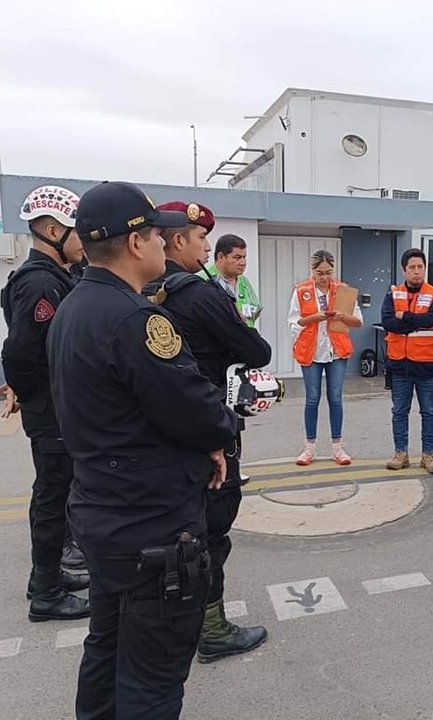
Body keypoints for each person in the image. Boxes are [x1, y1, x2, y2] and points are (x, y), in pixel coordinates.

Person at [47, 181, 238, 719]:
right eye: (157, 234)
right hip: (152, 525)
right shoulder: (138, 320)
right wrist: (221, 435)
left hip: (102, 514)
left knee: (106, 650)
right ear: (135, 243)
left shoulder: (74, 308)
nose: (164, 244)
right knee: (153, 676)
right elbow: (196, 409)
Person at [145, 201, 273, 662]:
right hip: (207, 426)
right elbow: (255, 350)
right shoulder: (200, 294)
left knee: (170, 530)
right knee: (211, 528)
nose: (206, 248)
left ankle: (173, 623)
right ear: (178, 240)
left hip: (155, 435)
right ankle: (212, 628)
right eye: (202, 240)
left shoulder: (137, 292)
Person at [0, 184, 90, 622]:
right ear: (53, 230)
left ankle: (48, 577)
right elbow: (20, 352)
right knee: (53, 496)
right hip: (52, 411)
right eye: (78, 233)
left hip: (54, 408)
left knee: (60, 492)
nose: (84, 242)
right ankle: (47, 592)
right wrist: (38, 395)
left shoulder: (56, 278)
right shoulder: (39, 282)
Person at [287, 249, 363, 466]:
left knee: (335, 399)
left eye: (328, 272)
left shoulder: (343, 290)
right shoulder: (301, 291)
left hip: (336, 351)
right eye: (320, 273)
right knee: (312, 398)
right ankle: (309, 447)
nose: (324, 277)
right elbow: (293, 322)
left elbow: (358, 321)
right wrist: (314, 317)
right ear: (312, 271)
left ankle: (337, 447)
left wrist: (343, 316)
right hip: (311, 350)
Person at [381, 248, 433, 474]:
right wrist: (416, 322)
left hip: (426, 364)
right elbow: (388, 323)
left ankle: (428, 455)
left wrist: (405, 317)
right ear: (404, 270)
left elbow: (432, 319)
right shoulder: (393, 294)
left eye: (420, 267)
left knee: (429, 412)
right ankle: (401, 453)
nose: (417, 272)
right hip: (399, 365)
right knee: (399, 411)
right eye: (412, 268)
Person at [199, 233, 263, 328]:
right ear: (221, 257)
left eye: (244, 257)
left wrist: (243, 313)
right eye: (237, 258)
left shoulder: (243, 281)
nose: (243, 263)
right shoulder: (203, 281)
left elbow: (257, 308)